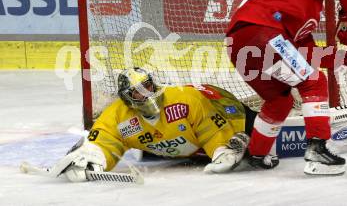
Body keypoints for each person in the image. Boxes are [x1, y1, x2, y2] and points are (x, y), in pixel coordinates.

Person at [225, 0, 347, 175]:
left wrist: (344, 60)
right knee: (314, 82)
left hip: (239, 44)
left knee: (279, 100)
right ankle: (318, 150)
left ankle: (257, 155)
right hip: (264, 32)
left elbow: (305, 55)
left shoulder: (290, 4)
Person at [51, 67, 256, 182]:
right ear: (127, 98)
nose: (147, 93)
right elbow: (105, 140)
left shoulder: (184, 100)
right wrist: (93, 157)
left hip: (223, 106)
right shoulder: (118, 116)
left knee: (255, 145)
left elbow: (210, 129)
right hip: (189, 146)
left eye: (148, 86)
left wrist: (222, 150)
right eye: (138, 91)